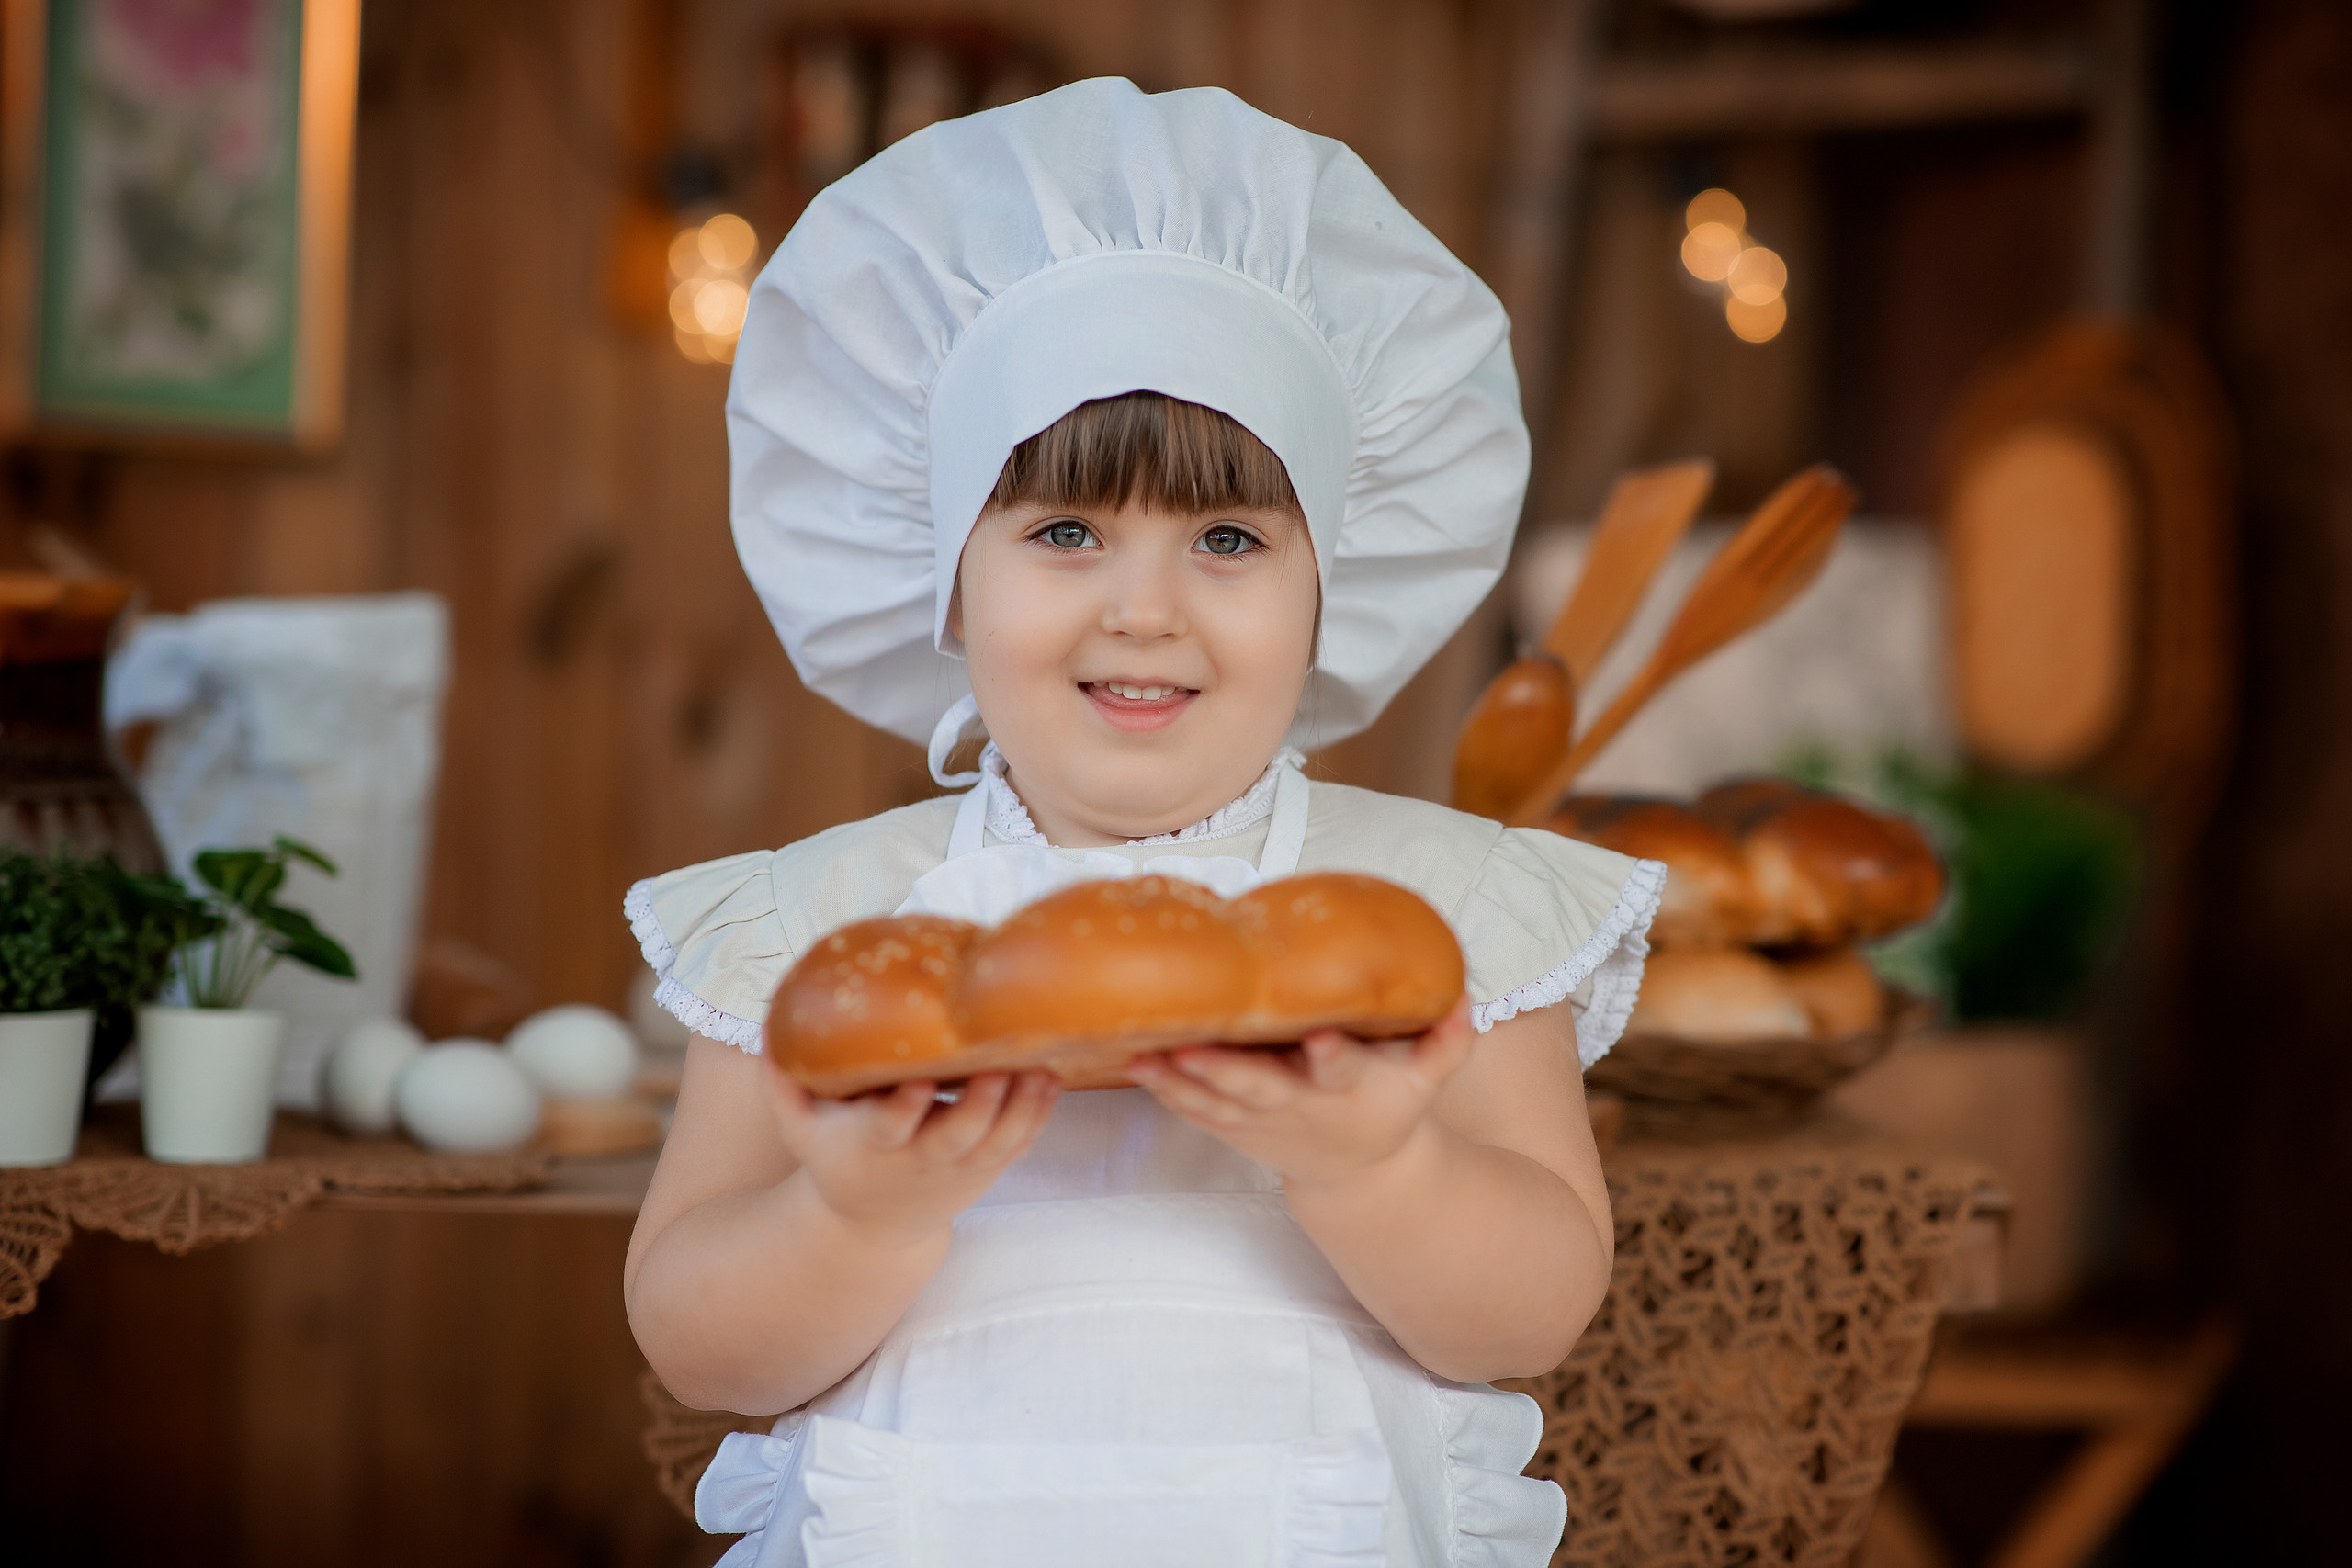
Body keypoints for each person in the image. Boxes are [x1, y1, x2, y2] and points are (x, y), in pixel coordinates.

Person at [622, 78, 1664, 1568]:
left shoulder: (1438, 911)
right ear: (943, 573)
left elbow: (1535, 1316)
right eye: (1062, 532)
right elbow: (699, 1346)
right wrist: (849, 1213)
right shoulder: (823, 933)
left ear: (1332, 588)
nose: (1145, 610)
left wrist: (1378, 1167)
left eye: (1230, 539)